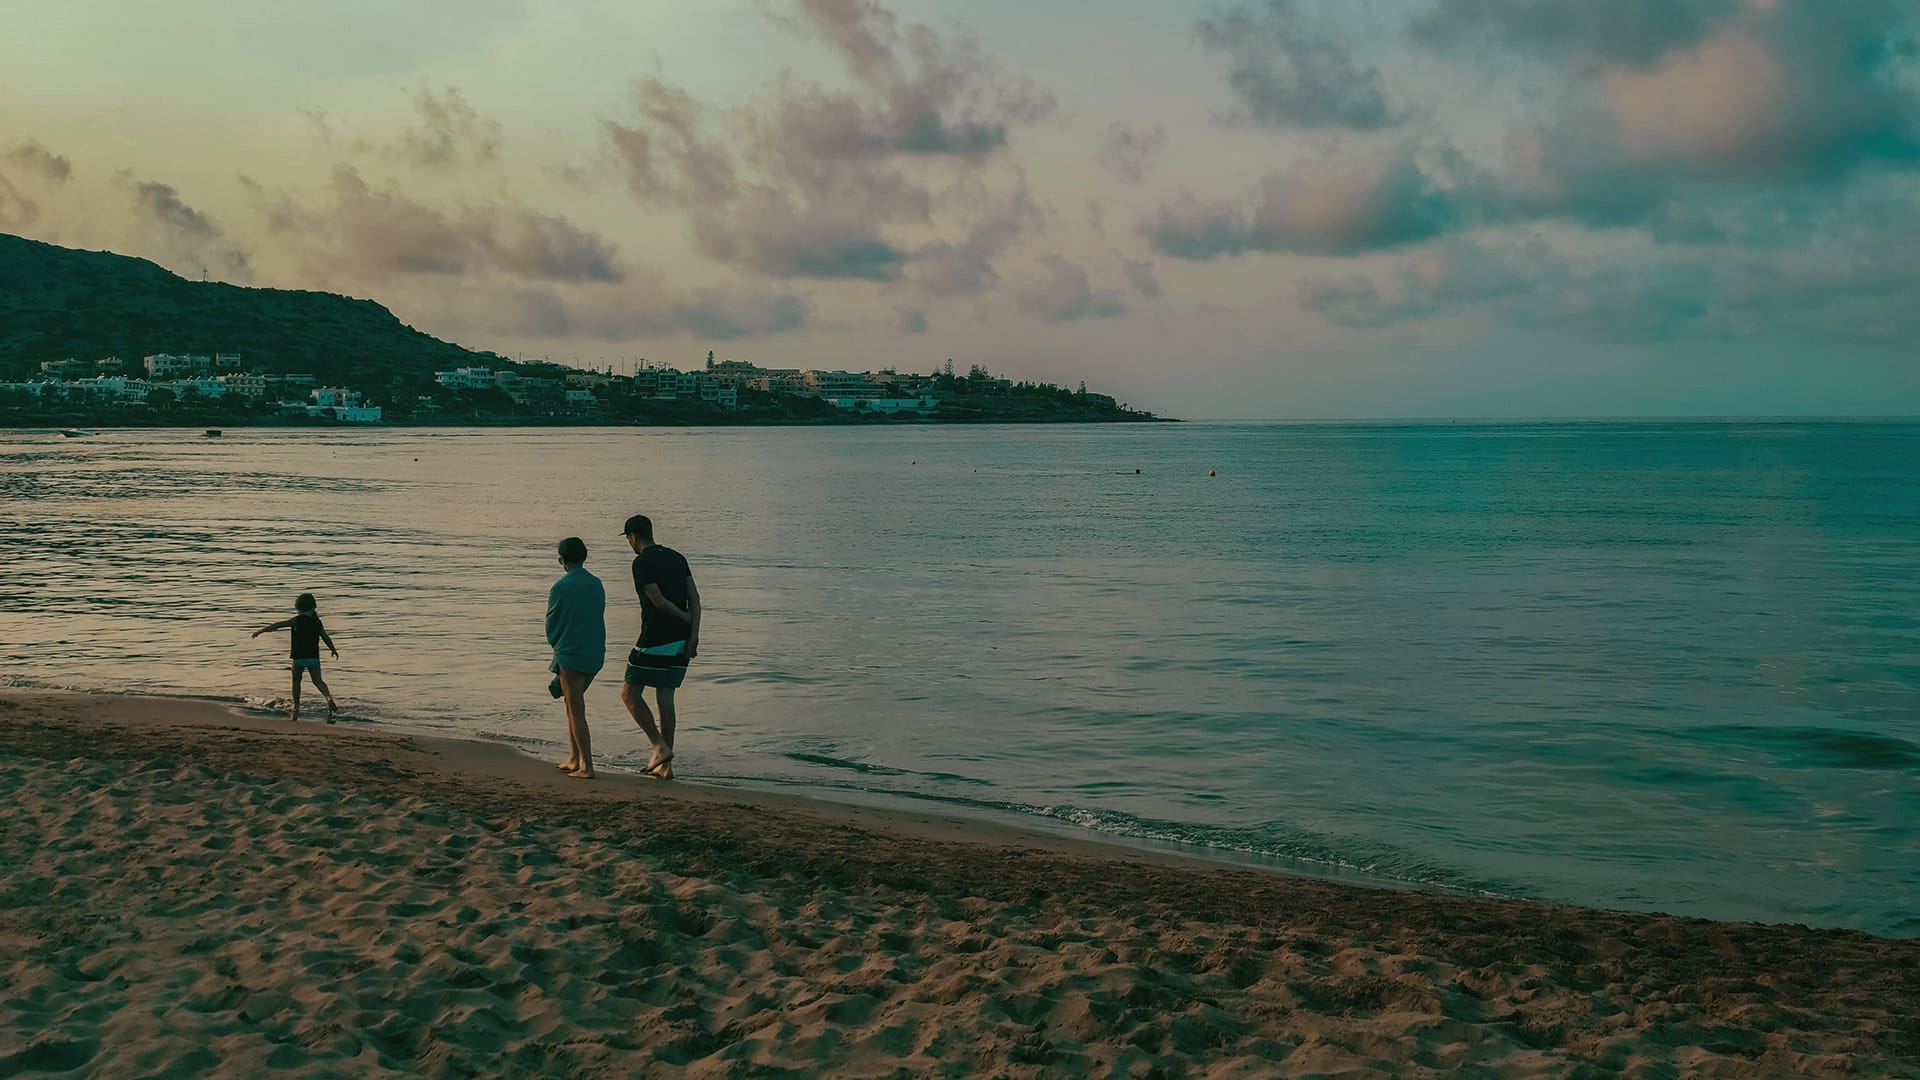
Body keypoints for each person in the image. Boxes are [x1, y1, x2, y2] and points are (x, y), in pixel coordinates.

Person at [619, 513, 700, 779]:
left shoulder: (641, 562)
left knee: (630, 694)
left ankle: (659, 746)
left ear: (632, 537)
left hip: (656, 636)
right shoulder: (677, 557)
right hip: (682, 639)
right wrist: (693, 633)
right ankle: (666, 766)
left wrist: (683, 617)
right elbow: (695, 598)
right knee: (665, 696)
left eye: (628, 539)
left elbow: (658, 601)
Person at [547, 536, 607, 779]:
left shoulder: (561, 586)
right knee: (572, 705)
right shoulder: (596, 583)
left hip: (572, 653)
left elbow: (552, 622)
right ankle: (573, 758)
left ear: (562, 560)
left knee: (576, 708)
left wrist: (556, 643)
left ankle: (587, 766)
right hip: (594, 652)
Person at [252, 592, 339, 722]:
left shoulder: (296, 620)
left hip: (298, 658)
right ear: (313, 606)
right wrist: (333, 649)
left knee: (296, 681)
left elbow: (277, 625)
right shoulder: (317, 622)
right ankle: (328, 698)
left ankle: (296, 706)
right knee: (318, 681)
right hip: (314, 658)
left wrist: (261, 631)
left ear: (298, 607)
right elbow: (325, 636)